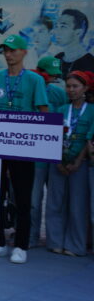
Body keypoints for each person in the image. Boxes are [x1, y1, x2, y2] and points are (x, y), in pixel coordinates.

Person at [0, 34, 49, 264]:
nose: (9, 54)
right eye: (5, 51)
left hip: (23, 147)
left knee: (22, 197)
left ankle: (21, 245)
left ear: (24, 52)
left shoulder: (35, 80)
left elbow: (43, 113)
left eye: (13, 50)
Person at [45, 70, 94, 256]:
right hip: (58, 162)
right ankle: (55, 241)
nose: (71, 90)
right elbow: (53, 136)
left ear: (85, 88)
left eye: (75, 86)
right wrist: (58, 160)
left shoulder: (92, 110)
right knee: (55, 203)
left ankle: (75, 245)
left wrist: (78, 161)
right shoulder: (61, 109)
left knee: (77, 205)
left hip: (80, 164)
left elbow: (89, 138)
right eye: (68, 86)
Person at [30, 56, 66, 246]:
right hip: (34, 158)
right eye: (49, 74)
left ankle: (55, 240)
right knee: (33, 201)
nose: (52, 78)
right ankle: (30, 236)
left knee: (56, 201)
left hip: (54, 155)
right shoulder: (29, 90)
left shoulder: (59, 93)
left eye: (54, 75)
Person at [54, 9, 94, 74]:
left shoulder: (89, 62)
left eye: (63, 27)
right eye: (56, 26)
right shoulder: (57, 58)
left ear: (78, 32)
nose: (56, 31)